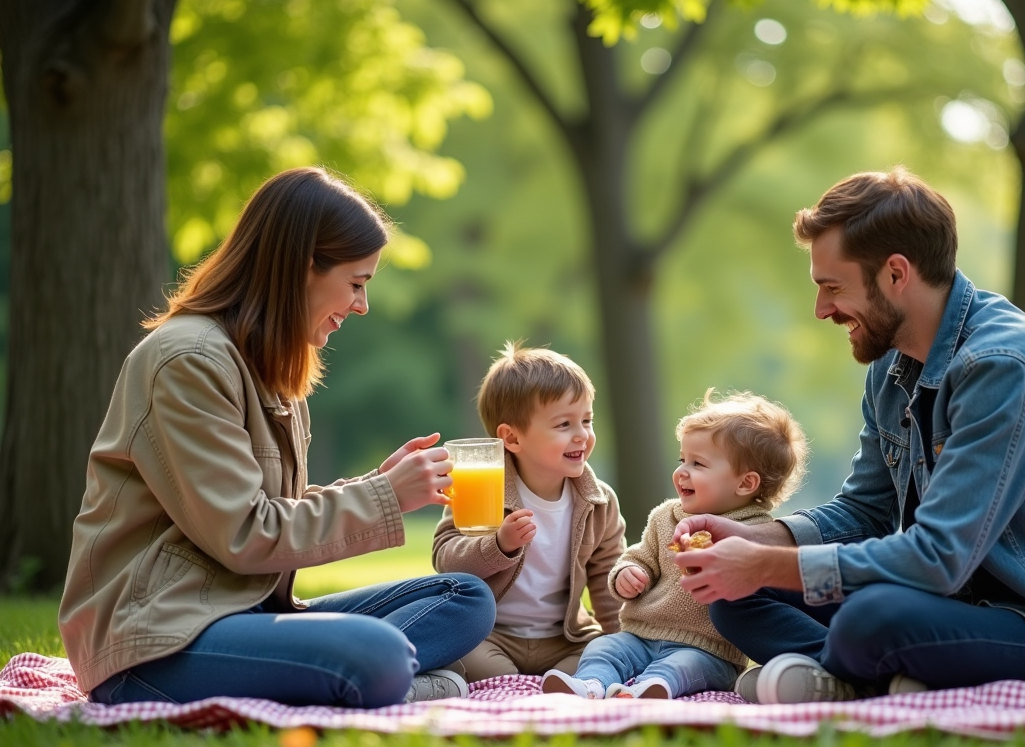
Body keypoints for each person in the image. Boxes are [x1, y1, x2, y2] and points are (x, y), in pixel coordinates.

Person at [672, 167, 1025, 704]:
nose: (822, 309)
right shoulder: (892, 364)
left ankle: (845, 673)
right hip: (955, 604)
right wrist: (750, 539)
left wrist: (767, 563)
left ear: (896, 274)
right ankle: (861, 679)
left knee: (870, 618)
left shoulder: (1004, 366)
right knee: (732, 595)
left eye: (833, 287)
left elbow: (939, 555)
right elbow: (863, 512)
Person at [59, 167, 495, 709]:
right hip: (153, 639)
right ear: (302, 266)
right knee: (377, 652)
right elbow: (245, 533)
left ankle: (362, 674)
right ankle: (386, 676)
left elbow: (270, 512)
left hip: (242, 612)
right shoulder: (188, 361)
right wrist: (385, 498)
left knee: (464, 597)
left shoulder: (271, 369)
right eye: (356, 283)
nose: (362, 305)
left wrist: (376, 484)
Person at [542, 390, 808, 699]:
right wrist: (627, 573)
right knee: (604, 647)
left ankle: (652, 690)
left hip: (709, 649)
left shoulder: (758, 534)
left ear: (745, 483)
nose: (682, 471)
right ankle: (589, 684)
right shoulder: (664, 517)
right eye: (682, 459)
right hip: (642, 635)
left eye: (698, 464)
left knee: (683, 666)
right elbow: (641, 557)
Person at [432, 343, 626, 682]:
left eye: (587, 420)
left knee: (602, 656)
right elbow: (446, 561)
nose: (582, 435)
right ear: (512, 438)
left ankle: (545, 683)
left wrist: (622, 640)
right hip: (491, 635)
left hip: (565, 641)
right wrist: (499, 545)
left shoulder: (599, 501)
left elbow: (608, 578)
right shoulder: (479, 485)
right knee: (463, 654)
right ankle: (514, 685)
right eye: (564, 424)